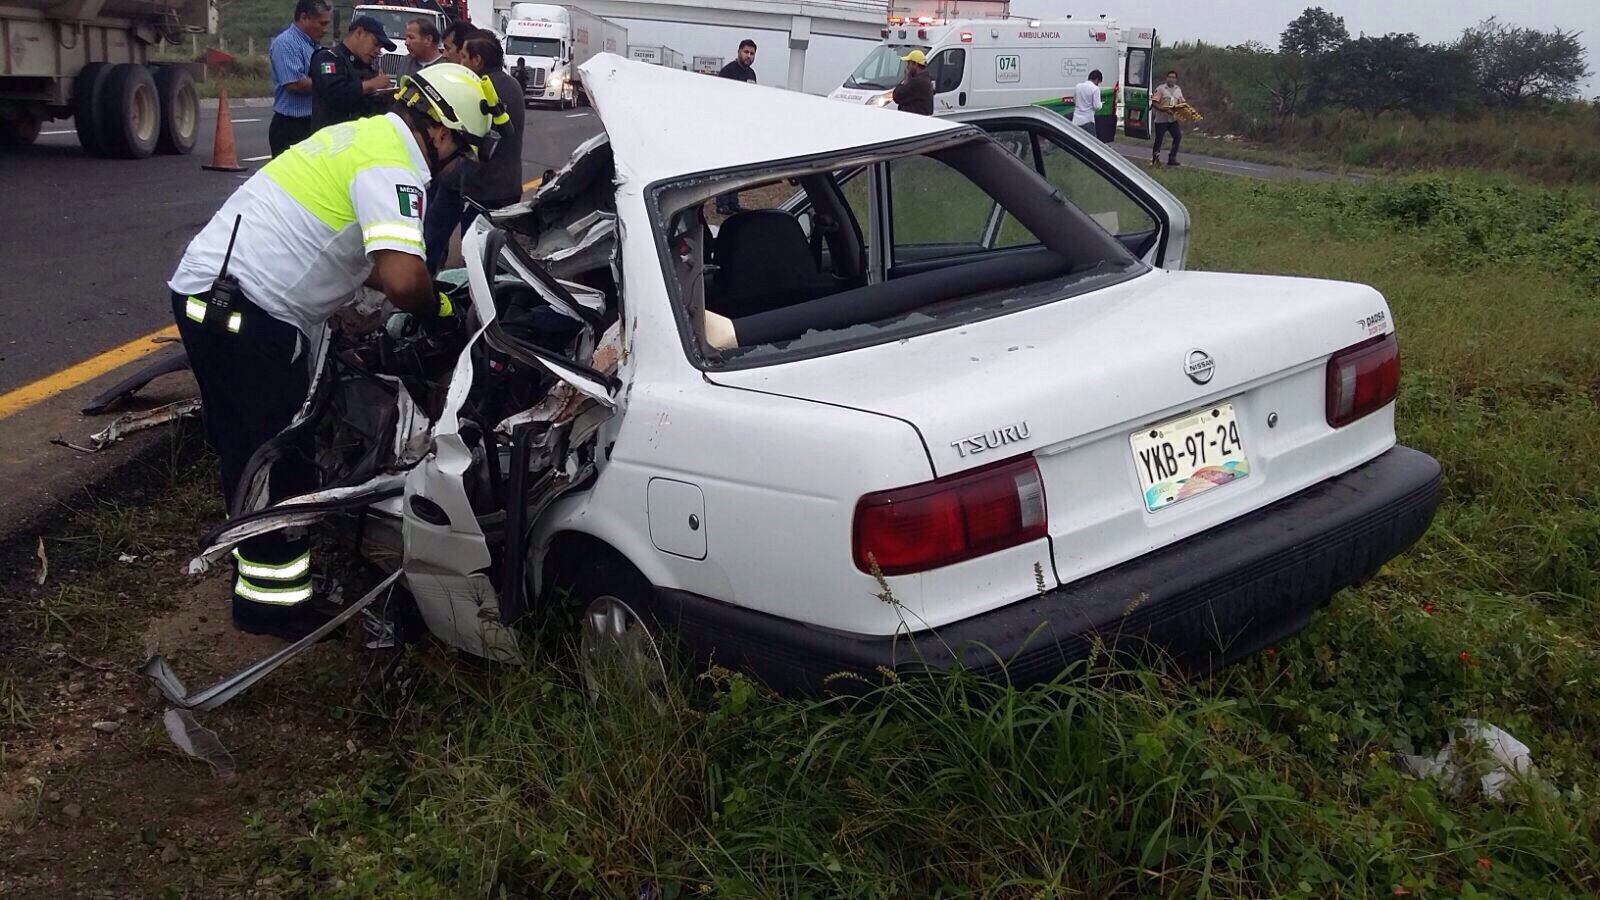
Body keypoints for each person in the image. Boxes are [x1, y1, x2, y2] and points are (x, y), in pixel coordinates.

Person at [167, 63, 506, 641]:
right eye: (464, 151)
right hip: (254, 317)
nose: (460, 165)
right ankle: (272, 609)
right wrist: (437, 310)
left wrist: (415, 291)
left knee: (244, 449)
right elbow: (401, 279)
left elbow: (364, 256)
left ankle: (259, 581)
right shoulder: (395, 167)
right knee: (281, 460)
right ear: (442, 133)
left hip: (205, 293)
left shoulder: (361, 135)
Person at [459, 34, 526, 229]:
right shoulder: (513, 84)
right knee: (500, 249)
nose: (460, 62)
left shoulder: (479, 88)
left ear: (477, 60)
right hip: (510, 185)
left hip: (482, 189)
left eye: (464, 57)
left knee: (475, 249)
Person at [266, 0, 330, 158]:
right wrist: (330, 84)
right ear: (304, 18)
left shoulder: (313, 45)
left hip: (312, 123)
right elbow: (294, 83)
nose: (324, 29)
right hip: (291, 126)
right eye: (321, 23)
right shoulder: (287, 43)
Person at [308, 16, 395, 131]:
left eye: (380, 47)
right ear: (359, 33)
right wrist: (371, 85)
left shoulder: (367, 67)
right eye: (375, 43)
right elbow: (334, 94)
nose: (377, 51)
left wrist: (385, 95)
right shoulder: (328, 58)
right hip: (330, 136)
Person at [714, 39, 758, 213]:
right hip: (727, 125)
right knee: (725, 165)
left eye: (752, 53)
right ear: (739, 51)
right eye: (746, 52)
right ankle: (722, 203)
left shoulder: (752, 74)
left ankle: (733, 202)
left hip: (742, 126)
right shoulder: (728, 71)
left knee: (737, 166)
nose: (748, 56)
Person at [1151, 69, 1184, 166]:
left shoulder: (1178, 89)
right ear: (1166, 78)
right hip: (1161, 119)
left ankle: (1172, 158)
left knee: (1177, 137)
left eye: (1173, 77)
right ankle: (1155, 159)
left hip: (1173, 119)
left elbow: (1181, 101)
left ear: (1176, 79)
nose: (1171, 79)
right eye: (1169, 77)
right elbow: (1154, 102)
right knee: (1159, 140)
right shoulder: (1160, 89)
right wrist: (1162, 109)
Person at [891, 48, 935, 115]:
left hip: (914, 120)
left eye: (909, 63)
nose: (907, 66)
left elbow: (897, 96)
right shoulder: (927, 79)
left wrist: (906, 80)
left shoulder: (917, 81)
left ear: (915, 64)